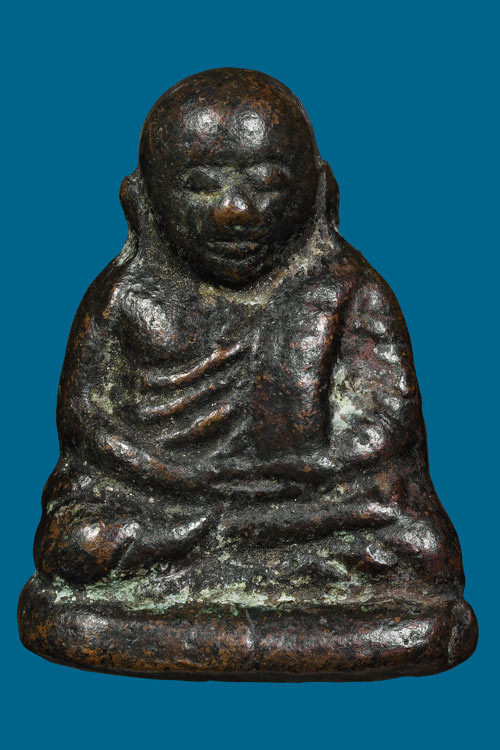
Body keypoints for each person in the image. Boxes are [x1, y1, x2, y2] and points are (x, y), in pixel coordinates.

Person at [21, 69, 476, 679]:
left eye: (266, 185)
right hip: (160, 498)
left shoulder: (347, 290)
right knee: (76, 544)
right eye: (201, 187)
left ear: (318, 192)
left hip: (306, 502)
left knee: (421, 548)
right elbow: (87, 425)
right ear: (141, 200)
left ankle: (221, 558)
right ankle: (237, 557)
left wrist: (309, 472)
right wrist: (175, 475)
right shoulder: (124, 296)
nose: (236, 211)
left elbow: (387, 425)